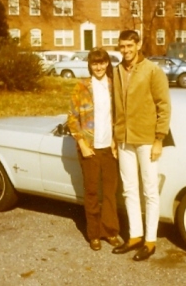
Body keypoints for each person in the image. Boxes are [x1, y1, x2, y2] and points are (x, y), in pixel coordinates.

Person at [111, 30, 171, 261]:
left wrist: (159, 139)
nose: (125, 50)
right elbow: (115, 107)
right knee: (128, 189)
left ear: (138, 44)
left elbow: (163, 107)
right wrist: (116, 138)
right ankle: (135, 236)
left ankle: (150, 241)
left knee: (149, 190)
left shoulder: (153, 71)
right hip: (124, 139)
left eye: (129, 45)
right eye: (121, 46)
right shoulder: (117, 71)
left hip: (146, 140)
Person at [67, 47, 121, 251]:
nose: (99, 67)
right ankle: (94, 234)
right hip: (89, 148)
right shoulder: (81, 87)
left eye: (102, 62)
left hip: (109, 148)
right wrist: (81, 143)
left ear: (107, 64)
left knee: (109, 192)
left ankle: (110, 231)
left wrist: (116, 141)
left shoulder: (113, 86)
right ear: (90, 65)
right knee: (91, 193)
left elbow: (119, 115)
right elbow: (72, 117)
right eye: (95, 63)